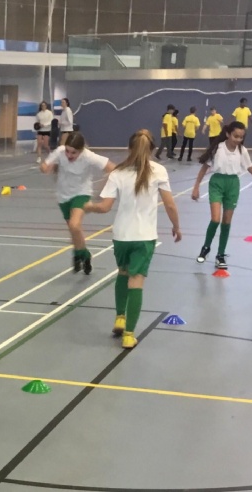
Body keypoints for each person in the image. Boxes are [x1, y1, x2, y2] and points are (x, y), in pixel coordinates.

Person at [84, 130, 181, 349]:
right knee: (136, 281)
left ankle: (120, 317)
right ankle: (129, 334)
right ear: (152, 149)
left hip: (121, 236)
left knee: (122, 273)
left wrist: (88, 206)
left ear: (129, 148)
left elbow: (105, 207)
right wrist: (176, 226)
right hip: (144, 237)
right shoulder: (159, 171)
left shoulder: (118, 172)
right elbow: (170, 204)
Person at [192, 122, 252, 270]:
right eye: (235, 136)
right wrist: (196, 187)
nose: (238, 140)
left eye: (241, 137)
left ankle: (220, 255)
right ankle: (206, 247)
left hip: (233, 184)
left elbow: (250, 168)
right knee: (215, 219)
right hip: (217, 183)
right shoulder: (218, 148)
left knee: (226, 222)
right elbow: (204, 168)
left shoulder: (242, 151)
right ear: (228, 134)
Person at [40, 131, 115, 274]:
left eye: (73, 153)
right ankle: (82, 254)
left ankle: (80, 255)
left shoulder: (89, 157)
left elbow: (113, 169)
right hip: (63, 195)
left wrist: (104, 188)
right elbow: (44, 165)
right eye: (67, 151)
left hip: (81, 194)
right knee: (73, 230)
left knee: (75, 225)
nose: (69, 155)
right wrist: (44, 168)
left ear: (81, 150)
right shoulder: (60, 151)